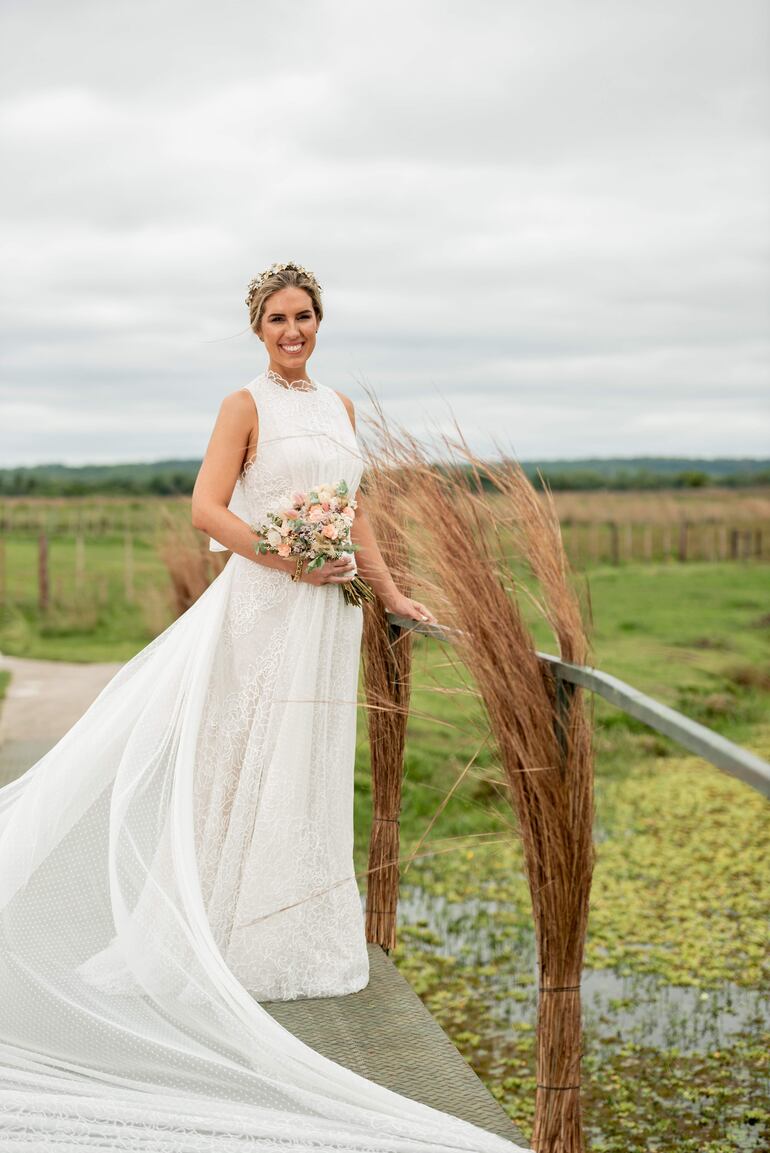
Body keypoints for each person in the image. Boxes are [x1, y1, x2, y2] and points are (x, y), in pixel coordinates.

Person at [0, 262, 532, 1152]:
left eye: (307, 315)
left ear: (322, 322)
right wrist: (289, 557)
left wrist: (390, 591)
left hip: (329, 611)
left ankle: (296, 933)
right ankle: (226, 934)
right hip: (265, 604)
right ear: (258, 327)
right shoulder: (243, 405)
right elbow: (208, 509)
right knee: (249, 753)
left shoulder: (339, 411)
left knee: (310, 759)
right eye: (279, 318)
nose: (295, 330)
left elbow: (356, 511)